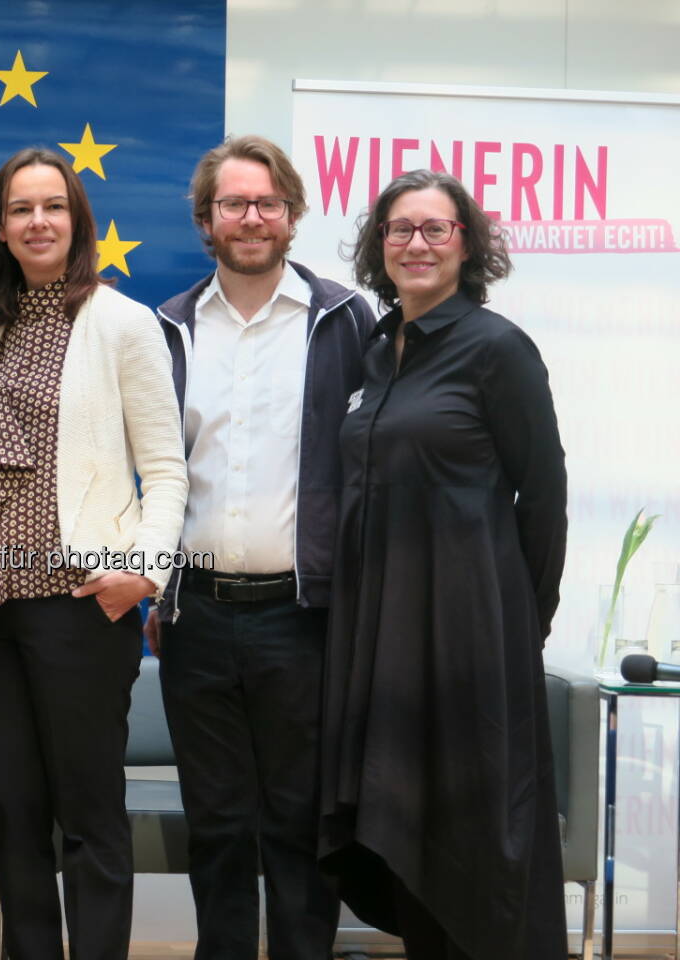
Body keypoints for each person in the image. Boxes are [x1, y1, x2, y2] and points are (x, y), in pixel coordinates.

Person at [0, 147, 187, 960]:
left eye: (53, 206)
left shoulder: (123, 321)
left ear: (77, 221)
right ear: (0, 229)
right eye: (21, 209)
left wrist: (143, 575)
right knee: (12, 813)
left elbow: (165, 468)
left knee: (87, 814)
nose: (37, 221)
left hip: (79, 604)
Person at [319, 168, 567, 960]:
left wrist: (519, 619)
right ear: (378, 244)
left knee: (472, 840)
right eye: (399, 229)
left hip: (469, 639)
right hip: (380, 638)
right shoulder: (374, 349)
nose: (415, 243)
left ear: (468, 245)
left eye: (436, 229)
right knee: (404, 832)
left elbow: (546, 496)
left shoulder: (498, 348)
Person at [146, 134, 375, 960]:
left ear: (292, 215)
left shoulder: (347, 320)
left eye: (267, 203)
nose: (252, 218)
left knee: (301, 822)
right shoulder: (168, 329)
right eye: (234, 204)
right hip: (197, 617)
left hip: (305, 616)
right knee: (215, 823)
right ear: (207, 220)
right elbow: (153, 470)